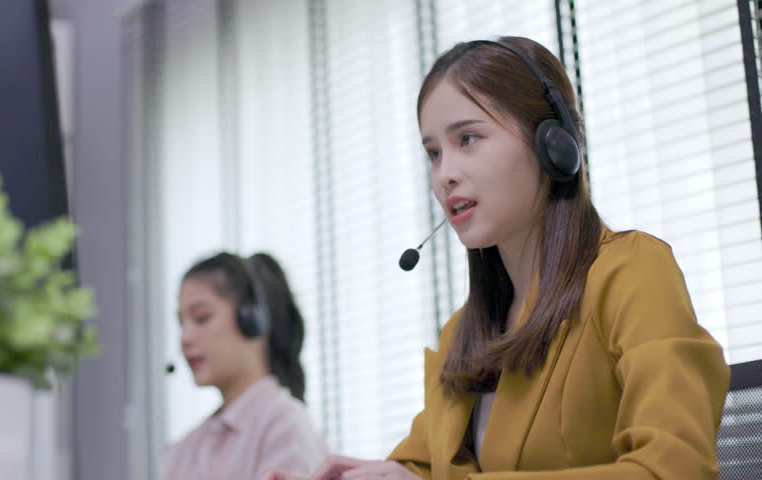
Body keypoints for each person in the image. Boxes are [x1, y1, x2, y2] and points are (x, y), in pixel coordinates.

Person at [262, 36, 729, 480]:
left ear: (552, 144)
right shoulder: (464, 333)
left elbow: (675, 468)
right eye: (433, 153)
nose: (445, 174)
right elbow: (424, 466)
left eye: (467, 139)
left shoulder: (631, 272)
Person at [164, 252, 327, 480]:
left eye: (201, 318)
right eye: (181, 323)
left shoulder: (285, 427)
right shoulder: (184, 450)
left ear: (250, 320)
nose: (185, 337)